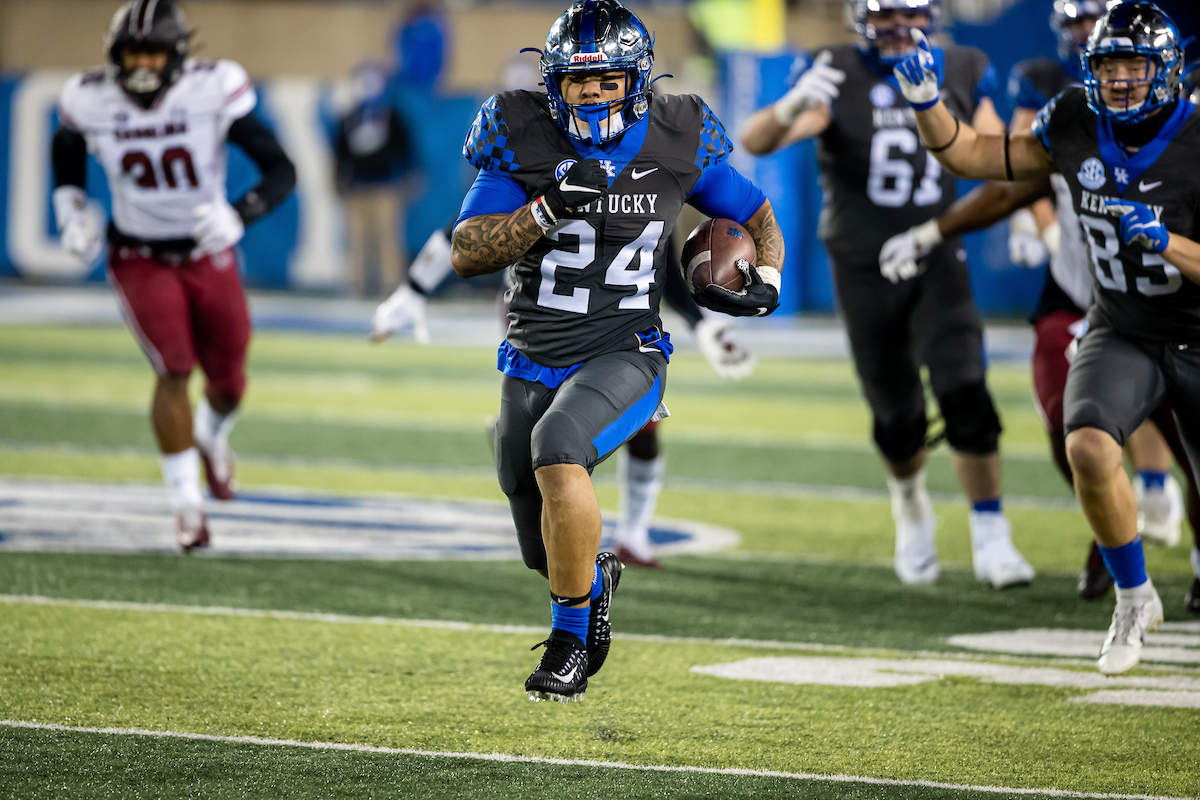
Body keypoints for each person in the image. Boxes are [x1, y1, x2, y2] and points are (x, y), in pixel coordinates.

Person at [450, 0, 784, 703]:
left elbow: (753, 214)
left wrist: (770, 277)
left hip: (627, 347)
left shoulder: (678, 130)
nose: (592, 93)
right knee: (539, 538)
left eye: (607, 80)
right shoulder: (519, 129)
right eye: (577, 80)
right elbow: (466, 251)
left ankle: (570, 646)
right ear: (554, 85)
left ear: (636, 81)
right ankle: (588, 586)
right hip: (533, 351)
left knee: (558, 448)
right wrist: (545, 209)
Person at [892, 1, 1200, 673]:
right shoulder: (1072, 118)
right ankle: (1134, 593)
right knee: (1087, 446)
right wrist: (926, 103)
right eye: (1108, 66)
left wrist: (1169, 243)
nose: (1119, 80)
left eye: (1135, 66)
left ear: (1167, 71)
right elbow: (977, 156)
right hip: (1123, 325)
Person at [740, 0, 1034, 589]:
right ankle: (911, 508)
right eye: (886, 18)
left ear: (933, 17)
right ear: (862, 20)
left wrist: (1025, 211)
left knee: (966, 390)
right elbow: (758, 139)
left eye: (911, 16)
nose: (899, 30)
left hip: (934, 253)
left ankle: (991, 530)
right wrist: (790, 105)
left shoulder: (962, 64)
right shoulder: (839, 68)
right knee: (896, 415)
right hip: (862, 262)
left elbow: (998, 150)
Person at [51, 0, 295, 552]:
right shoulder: (89, 97)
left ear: (178, 56)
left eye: (153, 53)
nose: (141, 65)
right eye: (132, 53)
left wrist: (239, 213)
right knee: (174, 368)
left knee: (229, 384)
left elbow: (282, 169)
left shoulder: (213, 88)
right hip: (139, 254)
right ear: (114, 56)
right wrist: (69, 208)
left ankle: (210, 437)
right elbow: (65, 150)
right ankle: (187, 504)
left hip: (206, 252)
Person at [335, 61, 414, 298]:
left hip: (385, 188)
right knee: (357, 241)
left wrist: (407, 178)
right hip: (357, 188)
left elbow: (406, 149)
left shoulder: (392, 116)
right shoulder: (349, 118)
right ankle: (357, 286)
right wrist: (339, 180)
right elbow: (340, 153)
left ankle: (390, 285)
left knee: (388, 239)